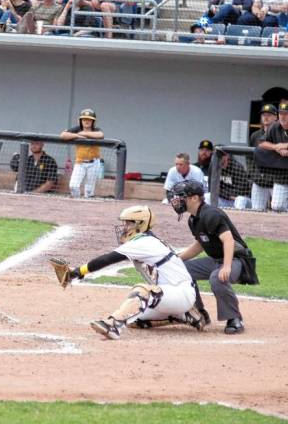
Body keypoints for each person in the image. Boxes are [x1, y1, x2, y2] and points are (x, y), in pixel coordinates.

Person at [51, 206, 203, 340]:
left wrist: (77, 272)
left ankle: (113, 326)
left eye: (128, 223)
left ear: (140, 224)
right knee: (134, 319)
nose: (124, 227)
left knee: (142, 291)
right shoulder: (147, 240)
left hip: (180, 293)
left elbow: (108, 259)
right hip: (170, 296)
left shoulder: (144, 242)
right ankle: (183, 316)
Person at [169, 179, 254, 335]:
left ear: (194, 198)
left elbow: (228, 240)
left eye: (182, 197)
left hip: (236, 260)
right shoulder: (193, 219)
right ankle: (199, 312)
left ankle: (234, 318)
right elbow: (200, 245)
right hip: (215, 260)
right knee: (182, 270)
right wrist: (175, 260)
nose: (177, 201)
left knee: (217, 278)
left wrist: (227, 266)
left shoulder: (211, 214)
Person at [61, 108, 105, 198]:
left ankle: (87, 207)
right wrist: (77, 135)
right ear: (80, 121)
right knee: (73, 186)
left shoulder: (95, 129)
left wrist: (84, 134)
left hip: (94, 162)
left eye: (89, 119)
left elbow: (101, 135)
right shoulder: (77, 129)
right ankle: (77, 202)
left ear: (93, 121)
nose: (87, 121)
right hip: (80, 162)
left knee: (89, 191)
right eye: (84, 119)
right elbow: (63, 135)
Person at [244, 103, 278, 210]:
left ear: (276, 117)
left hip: (277, 181)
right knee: (257, 210)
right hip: (259, 180)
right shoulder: (255, 136)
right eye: (263, 115)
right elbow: (249, 158)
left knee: (279, 208)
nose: (266, 117)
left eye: (269, 114)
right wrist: (254, 175)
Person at [257, 102, 288, 211]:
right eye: (281, 113)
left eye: (286, 114)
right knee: (276, 205)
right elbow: (261, 143)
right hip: (283, 176)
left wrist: (283, 145)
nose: (283, 116)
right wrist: (276, 147)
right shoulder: (275, 127)